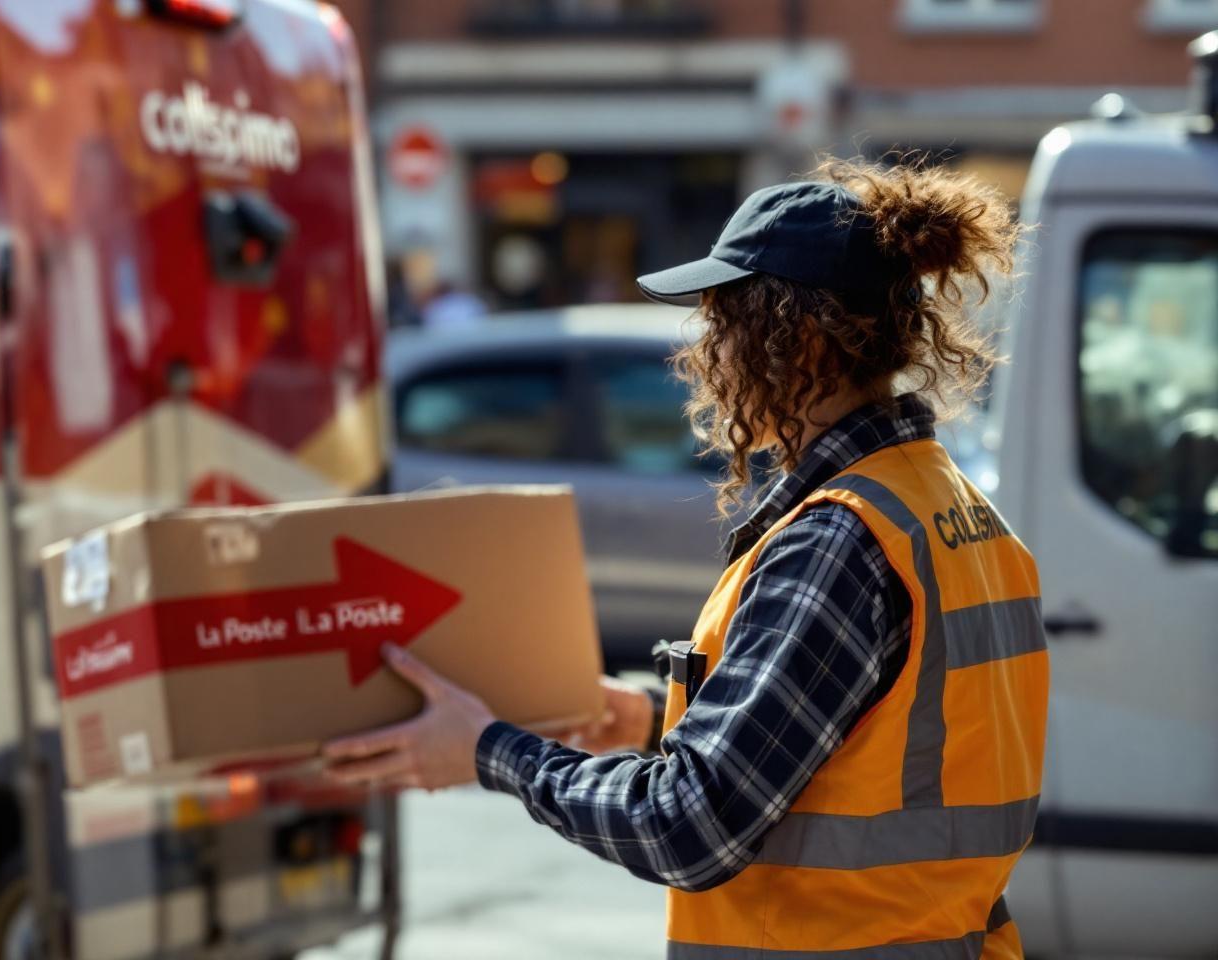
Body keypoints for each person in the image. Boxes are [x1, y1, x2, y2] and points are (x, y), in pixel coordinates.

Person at [324, 159, 1049, 958]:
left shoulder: (838, 540)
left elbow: (687, 827)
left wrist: (488, 749)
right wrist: (647, 722)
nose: (707, 356)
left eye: (721, 323)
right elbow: (850, 746)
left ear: (798, 340)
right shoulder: (945, 506)